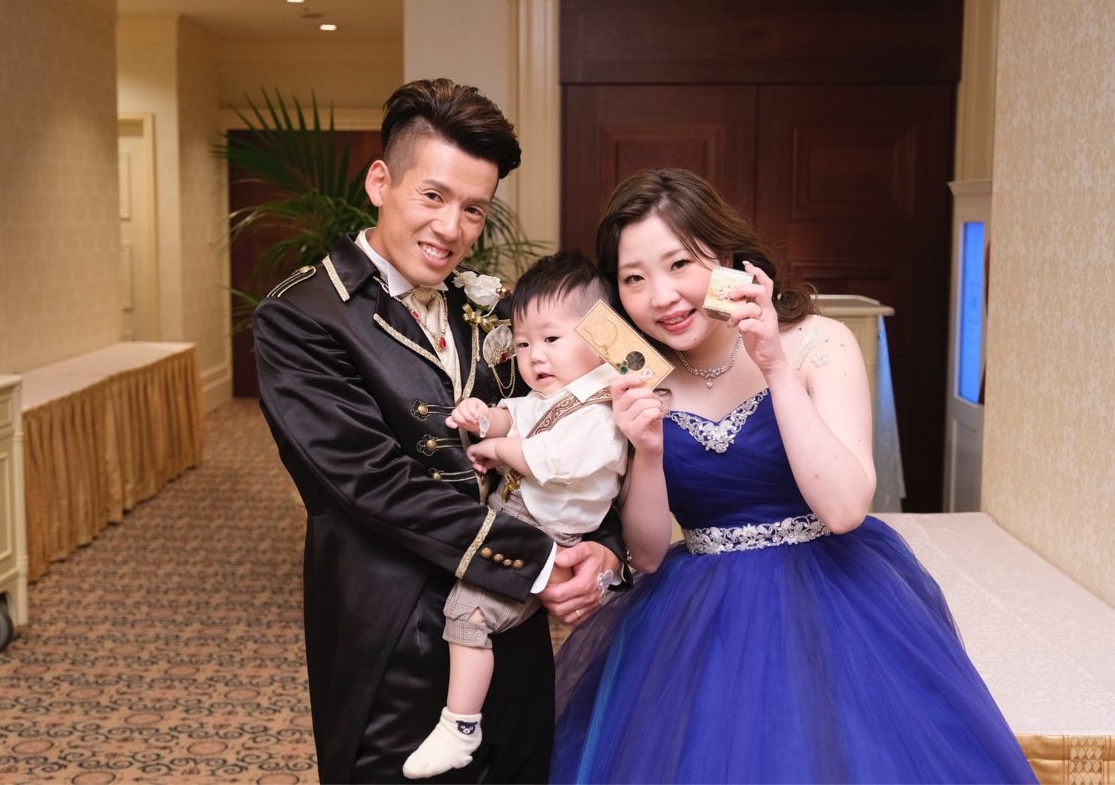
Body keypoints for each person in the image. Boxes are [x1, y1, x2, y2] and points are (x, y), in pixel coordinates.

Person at [550, 168, 1037, 783]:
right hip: (696, 613)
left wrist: (775, 367)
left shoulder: (817, 343)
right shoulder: (636, 377)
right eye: (634, 279)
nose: (663, 297)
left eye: (680, 264)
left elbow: (844, 509)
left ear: (727, 258)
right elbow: (646, 556)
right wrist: (646, 451)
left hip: (834, 593)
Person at [253, 78, 628, 784]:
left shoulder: (496, 307)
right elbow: (373, 483)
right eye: (433, 196)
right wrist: (545, 562)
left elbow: (594, 406)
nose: (452, 228)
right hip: (394, 629)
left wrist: (603, 551)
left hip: (509, 616)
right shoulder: (302, 315)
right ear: (380, 182)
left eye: (474, 209)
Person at [403, 250, 629, 779]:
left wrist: (499, 450)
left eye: (551, 339)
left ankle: (460, 724)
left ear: (601, 336)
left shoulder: (601, 411)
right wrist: (482, 419)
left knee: (468, 614)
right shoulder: (555, 396)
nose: (535, 356)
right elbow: (514, 416)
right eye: (524, 343)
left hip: (545, 532)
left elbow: (550, 460)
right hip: (516, 517)